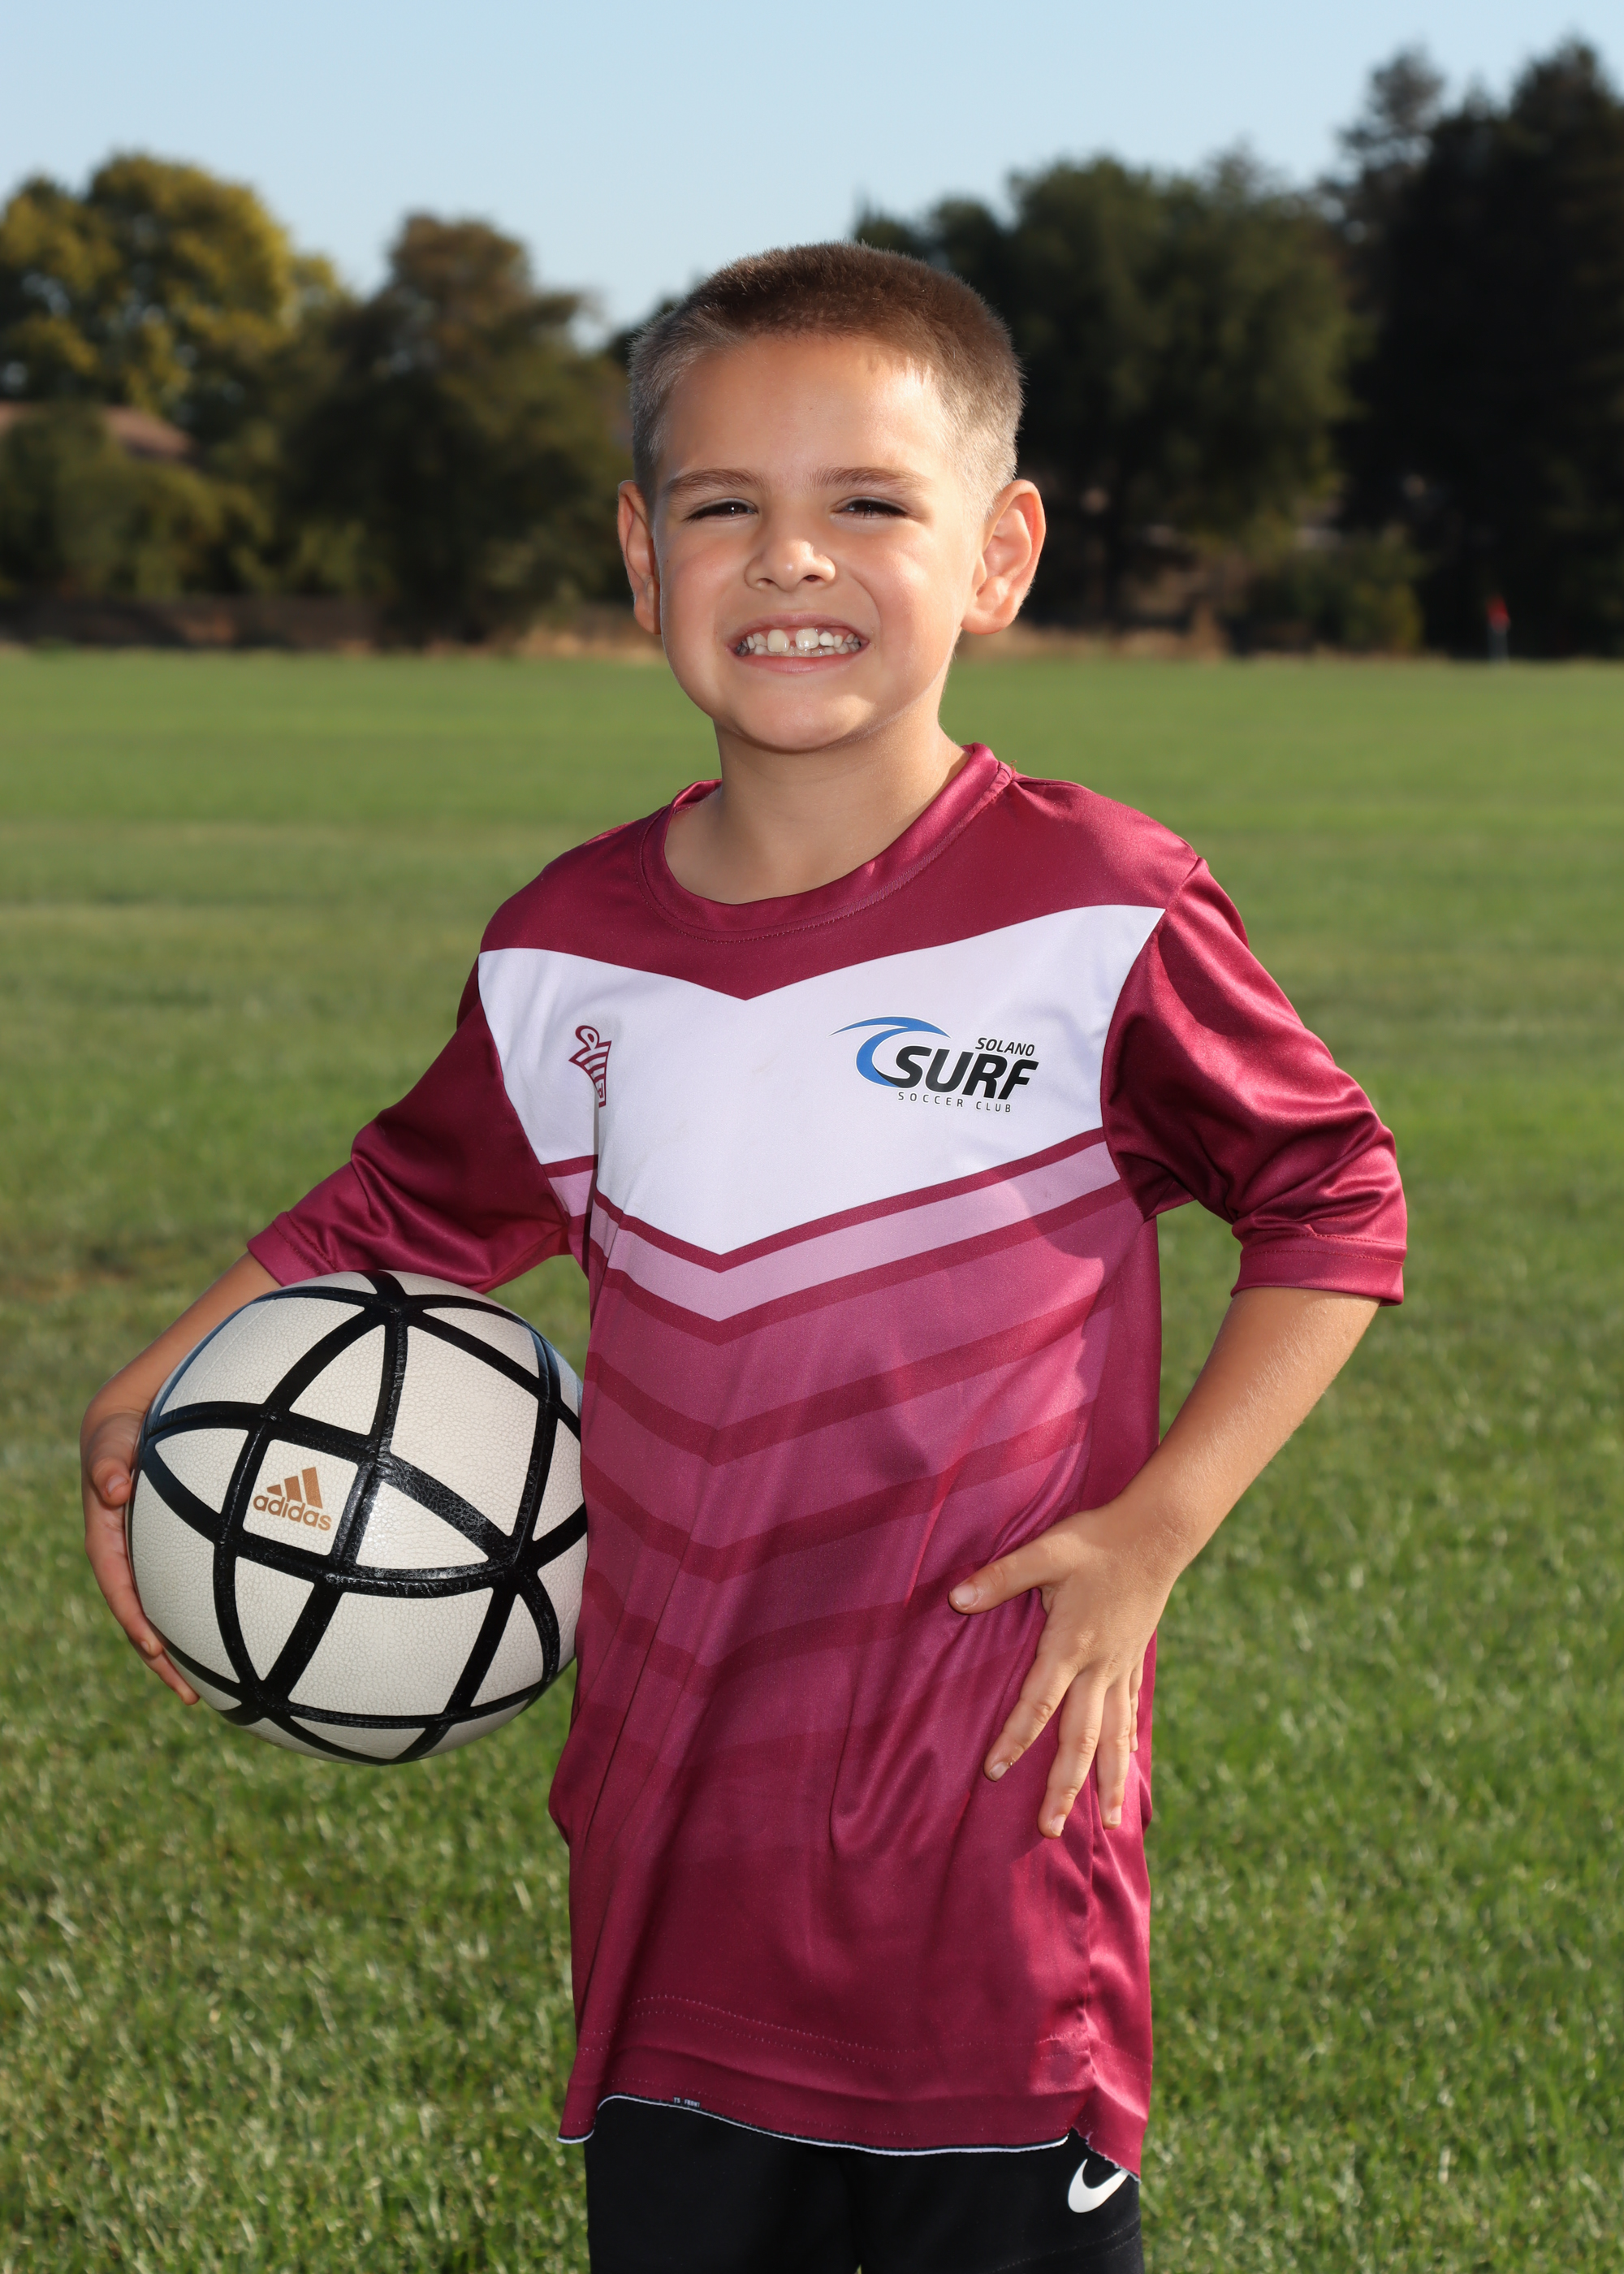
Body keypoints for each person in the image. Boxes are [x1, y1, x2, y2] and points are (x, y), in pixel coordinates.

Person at [80, 243, 1406, 2274]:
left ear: (998, 551)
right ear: (641, 556)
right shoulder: (563, 951)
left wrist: (1155, 1530)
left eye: (867, 500)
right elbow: (404, 1205)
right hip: (668, 1860)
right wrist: (161, 1382)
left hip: (988, 1854)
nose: (792, 556)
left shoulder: (1094, 905)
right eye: (723, 506)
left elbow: (1331, 1195)